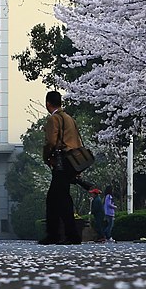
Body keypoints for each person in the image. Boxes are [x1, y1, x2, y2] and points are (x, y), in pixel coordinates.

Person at [40, 90, 83, 245]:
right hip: (72, 161)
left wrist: (46, 157)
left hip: (61, 161)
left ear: (48, 103)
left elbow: (51, 142)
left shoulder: (55, 119)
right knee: (60, 197)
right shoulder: (69, 118)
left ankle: (60, 235)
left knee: (57, 198)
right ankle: (65, 234)